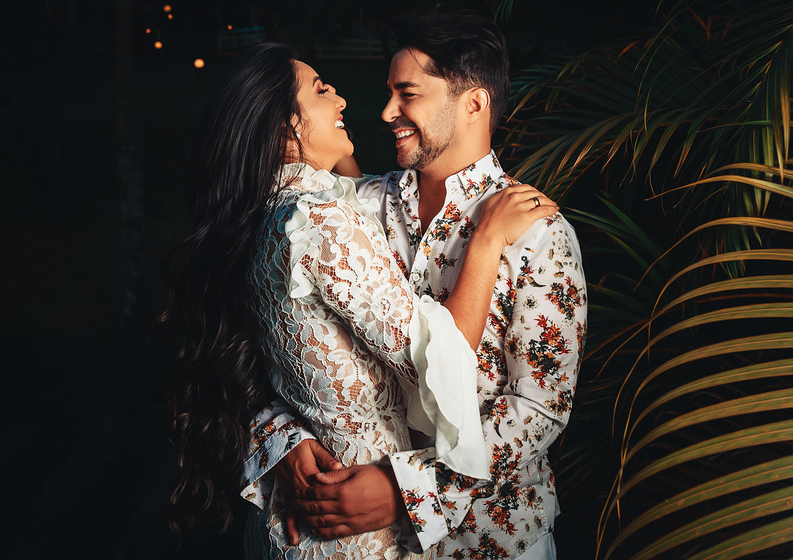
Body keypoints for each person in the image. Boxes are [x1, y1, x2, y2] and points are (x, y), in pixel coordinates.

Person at [162, 42, 557, 559]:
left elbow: (540, 408)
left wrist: (409, 491)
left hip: (495, 539)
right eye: (322, 90)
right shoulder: (338, 212)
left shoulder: (538, 233)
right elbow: (252, 351)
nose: (380, 109)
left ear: (473, 103)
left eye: (406, 93)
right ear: (284, 127)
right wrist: (279, 436)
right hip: (340, 526)